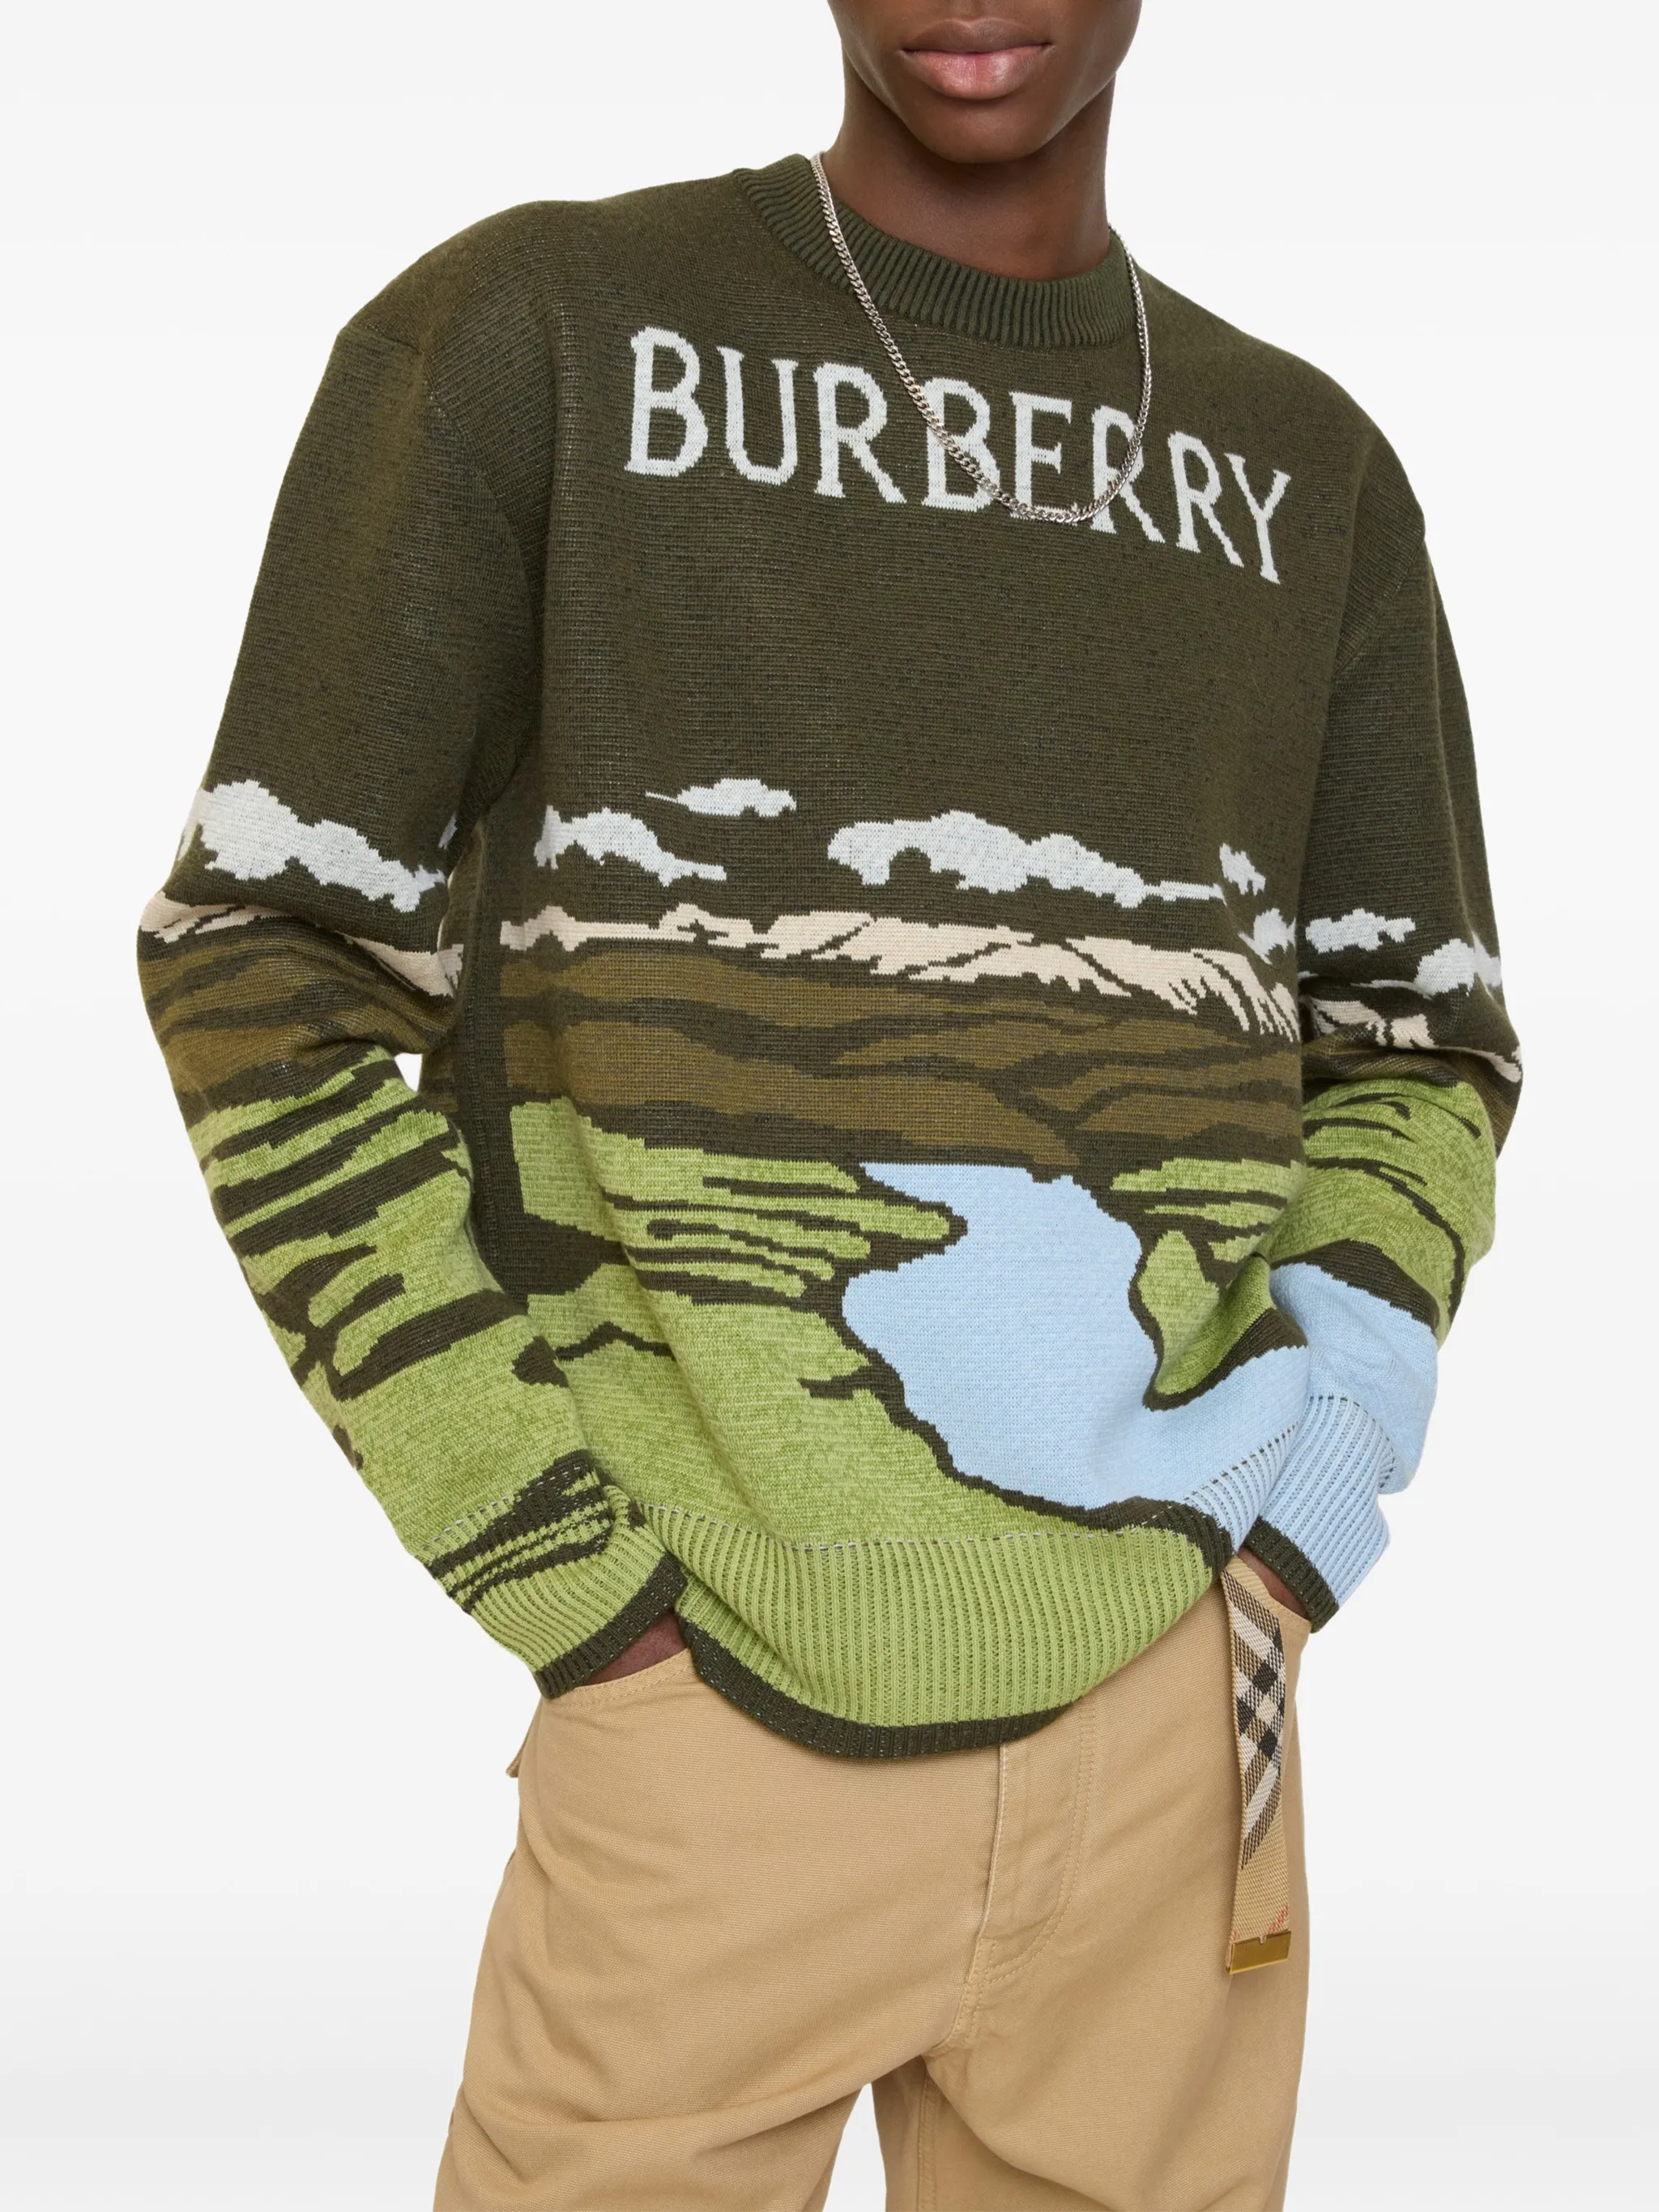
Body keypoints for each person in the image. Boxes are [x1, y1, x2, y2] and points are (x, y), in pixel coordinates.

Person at [139, 3, 1520, 2205]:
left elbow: (1421, 1039)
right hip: (702, 1727)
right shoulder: (541, 333)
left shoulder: (1304, 468)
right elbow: (260, 956)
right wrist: (567, 1573)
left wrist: (1294, 1520)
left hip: (1179, 1734)